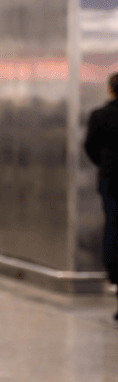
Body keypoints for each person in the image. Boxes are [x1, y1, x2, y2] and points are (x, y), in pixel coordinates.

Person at [85, 71, 118, 323]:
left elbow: (90, 147)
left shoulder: (100, 116)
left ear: (110, 90)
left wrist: (104, 165)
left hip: (110, 180)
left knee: (113, 228)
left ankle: (113, 275)